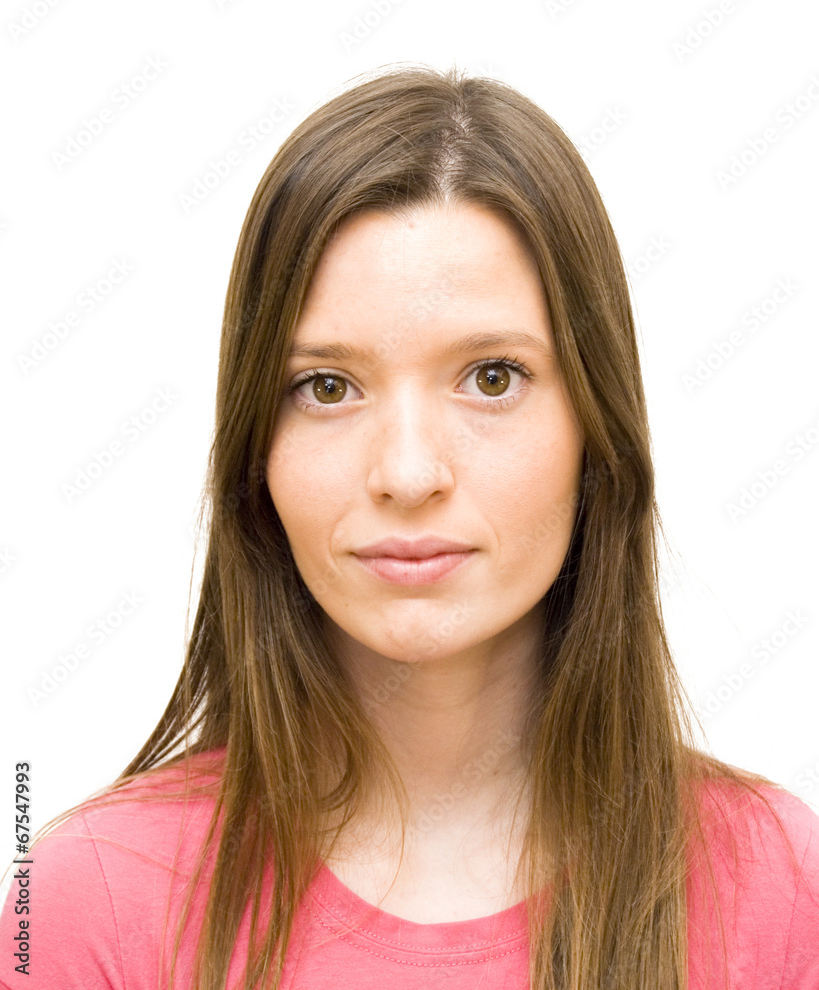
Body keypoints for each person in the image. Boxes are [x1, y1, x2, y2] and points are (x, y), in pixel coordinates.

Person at [2, 62, 818, 990]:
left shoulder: (780, 888)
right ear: (256, 454)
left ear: (597, 429)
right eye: (327, 387)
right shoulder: (86, 900)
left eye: (491, 378)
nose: (406, 473)